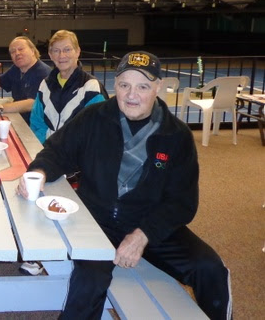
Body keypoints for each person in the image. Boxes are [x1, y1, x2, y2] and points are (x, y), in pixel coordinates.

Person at [18, 51, 232, 320]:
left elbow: (183, 202)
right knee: (89, 282)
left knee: (211, 268)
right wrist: (38, 172)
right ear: (115, 85)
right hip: (98, 222)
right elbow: (57, 151)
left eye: (143, 86)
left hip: (150, 223)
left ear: (158, 87)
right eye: (124, 85)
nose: (132, 95)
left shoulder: (177, 135)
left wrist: (142, 235)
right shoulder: (93, 118)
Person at [30, 30, 107, 144]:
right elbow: (36, 122)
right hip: (48, 152)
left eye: (67, 49)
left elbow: (96, 129)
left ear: (77, 52)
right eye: (56, 51)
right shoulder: (45, 85)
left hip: (77, 157)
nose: (62, 55)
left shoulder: (91, 87)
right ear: (51, 55)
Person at [0, 36, 51, 124]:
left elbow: (32, 103)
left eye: (21, 49)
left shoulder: (42, 72)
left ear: (32, 51)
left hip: (37, 126)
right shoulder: (16, 69)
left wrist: (0, 108)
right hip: (19, 119)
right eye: (13, 52)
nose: (17, 53)